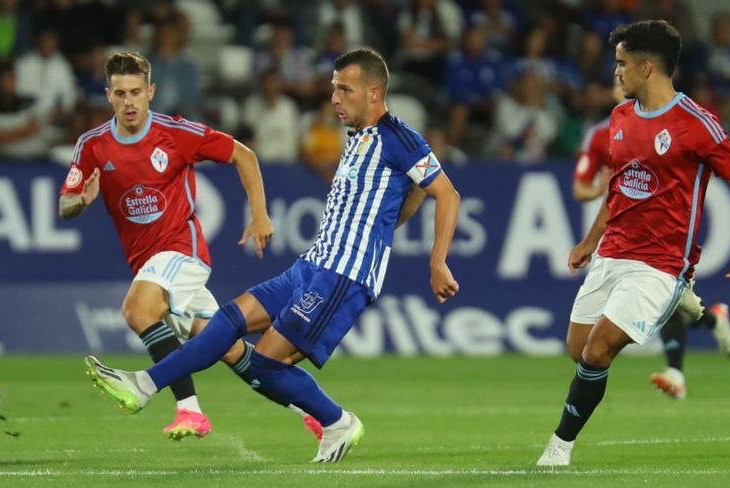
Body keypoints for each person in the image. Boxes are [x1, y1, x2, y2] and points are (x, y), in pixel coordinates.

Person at [84, 48, 461, 462]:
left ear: (374, 93)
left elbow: (444, 192)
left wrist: (436, 259)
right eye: (333, 88)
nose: (334, 98)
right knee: (228, 321)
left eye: (344, 89)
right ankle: (143, 386)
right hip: (311, 264)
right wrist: (387, 222)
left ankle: (337, 421)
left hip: (341, 275)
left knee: (264, 362)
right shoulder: (356, 136)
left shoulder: (399, 137)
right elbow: (414, 192)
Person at [59, 51, 322, 442]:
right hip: (148, 262)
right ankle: (318, 413)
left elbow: (243, 155)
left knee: (137, 308)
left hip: (184, 252)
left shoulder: (175, 133)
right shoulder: (93, 145)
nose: (129, 102)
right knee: (229, 349)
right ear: (108, 95)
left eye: (136, 92)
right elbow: (65, 205)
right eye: (120, 94)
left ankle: (189, 410)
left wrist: (260, 214)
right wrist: (82, 200)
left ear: (150, 92)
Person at [538, 20, 730, 467]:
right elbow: (620, 188)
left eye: (621, 64)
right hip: (612, 252)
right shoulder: (621, 119)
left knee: (599, 350)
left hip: (660, 262)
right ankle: (695, 308)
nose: (615, 72)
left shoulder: (695, 123)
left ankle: (558, 447)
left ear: (646, 67)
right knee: (578, 349)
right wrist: (590, 240)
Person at [572, 79, 730, 401]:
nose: (622, 82)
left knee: (654, 296)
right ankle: (711, 318)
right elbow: (580, 187)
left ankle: (676, 373)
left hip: (660, 232)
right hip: (619, 228)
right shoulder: (600, 133)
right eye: (616, 74)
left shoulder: (675, 123)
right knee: (639, 312)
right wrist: (605, 187)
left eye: (626, 70)